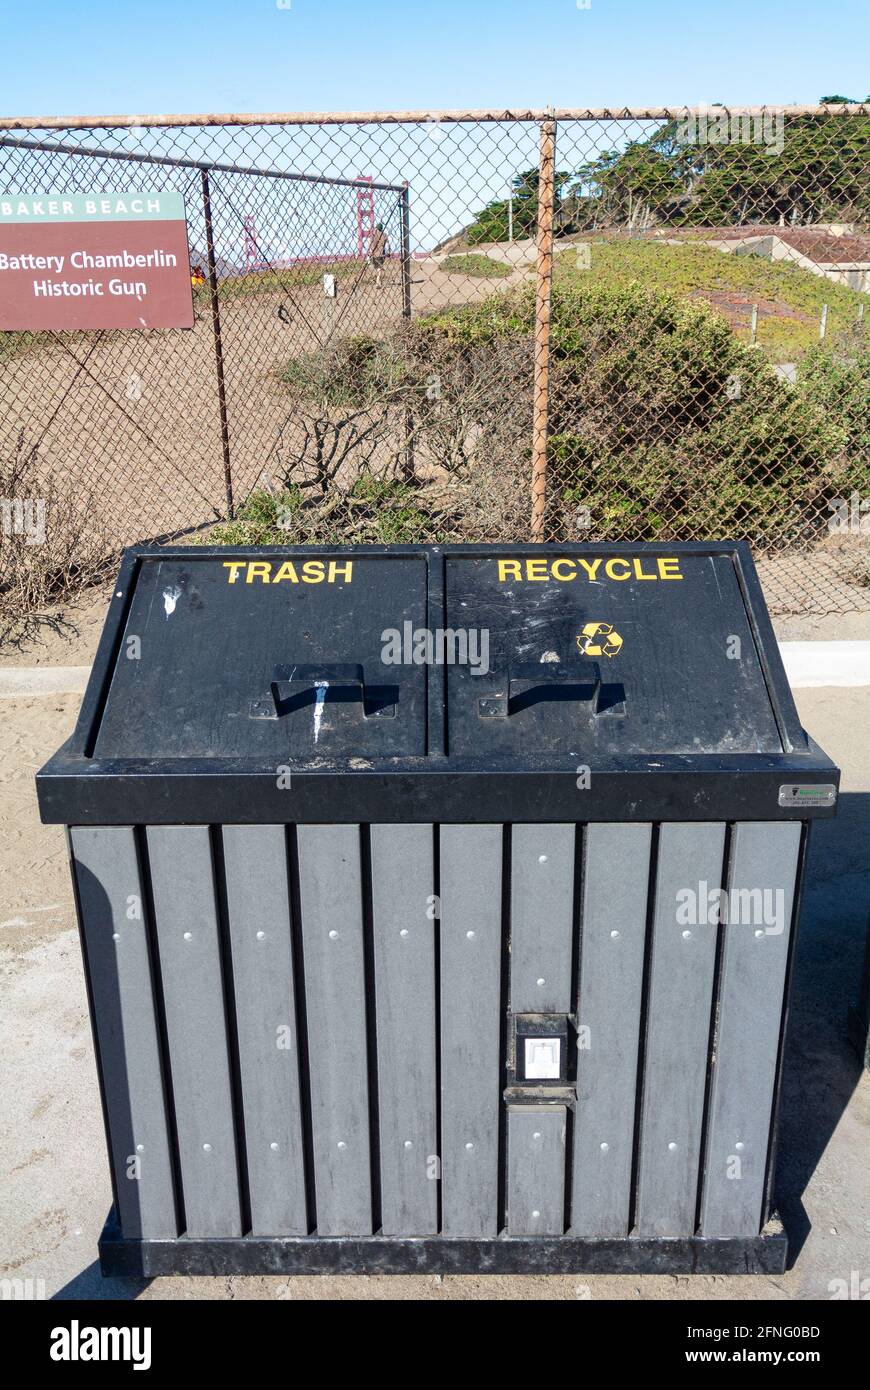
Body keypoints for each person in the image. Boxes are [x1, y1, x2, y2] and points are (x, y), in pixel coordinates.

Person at [369, 222, 389, 288]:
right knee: (379, 268)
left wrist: (370, 252)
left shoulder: (372, 235)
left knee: (376, 267)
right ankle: (378, 281)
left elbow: (369, 244)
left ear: (376, 228)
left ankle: (378, 281)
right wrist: (388, 252)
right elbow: (387, 244)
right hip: (381, 254)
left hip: (373, 254)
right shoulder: (385, 235)